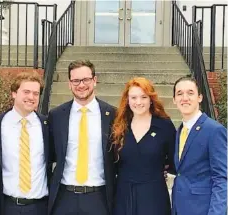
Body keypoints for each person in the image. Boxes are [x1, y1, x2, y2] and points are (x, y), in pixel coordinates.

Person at [48, 60, 116, 215]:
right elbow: (50, 154)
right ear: (69, 84)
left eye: (86, 79)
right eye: (76, 81)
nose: (81, 85)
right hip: (64, 198)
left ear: (94, 80)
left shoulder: (111, 114)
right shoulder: (57, 115)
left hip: (99, 198)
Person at [112, 77, 176, 215]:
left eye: (143, 97)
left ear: (151, 99)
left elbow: (173, 159)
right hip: (124, 196)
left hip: (154, 196)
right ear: (127, 100)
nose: (138, 102)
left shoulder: (164, 125)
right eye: (133, 97)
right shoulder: (119, 125)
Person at [0, 72, 52, 215]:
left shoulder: (47, 126)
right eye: (26, 92)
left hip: (40, 207)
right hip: (8, 206)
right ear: (14, 93)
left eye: (36, 93)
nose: (31, 97)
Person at [171, 76, 227, 215]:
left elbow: (222, 178)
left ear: (200, 97)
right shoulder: (180, 130)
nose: (185, 98)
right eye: (180, 93)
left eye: (190, 93)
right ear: (174, 100)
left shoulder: (214, 130)